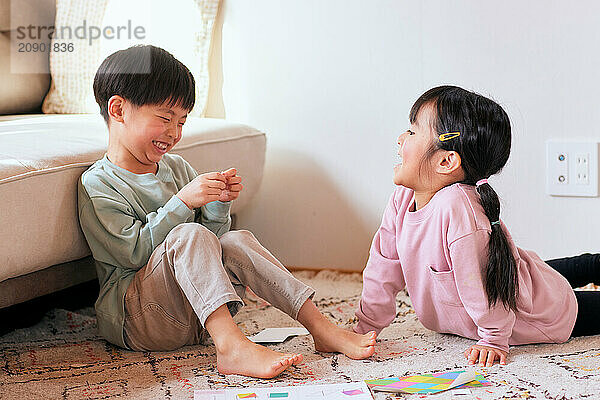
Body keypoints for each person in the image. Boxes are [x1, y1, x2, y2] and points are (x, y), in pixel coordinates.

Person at [78, 45, 376, 379]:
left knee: (236, 240)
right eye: (165, 118)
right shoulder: (98, 184)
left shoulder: (175, 167)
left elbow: (212, 248)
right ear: (118, 110)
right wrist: (183, 203)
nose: (174, 133)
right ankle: (232, 347)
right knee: (187, 233)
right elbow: (131, 254)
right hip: (137, 321)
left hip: (193, 313)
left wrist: (219, 205)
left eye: (181, 121)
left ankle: (320, 327)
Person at [353, 85, 599, 367]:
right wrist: (366, 326)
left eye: (412, 131)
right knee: (545, 271)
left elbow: (480, 284)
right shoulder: (403, 197)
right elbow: (382, 268)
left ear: (446, 160)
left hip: (537, 312)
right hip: (522, 277)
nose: (400, 138)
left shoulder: (457, 209)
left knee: (549, 287)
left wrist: (494, 337)